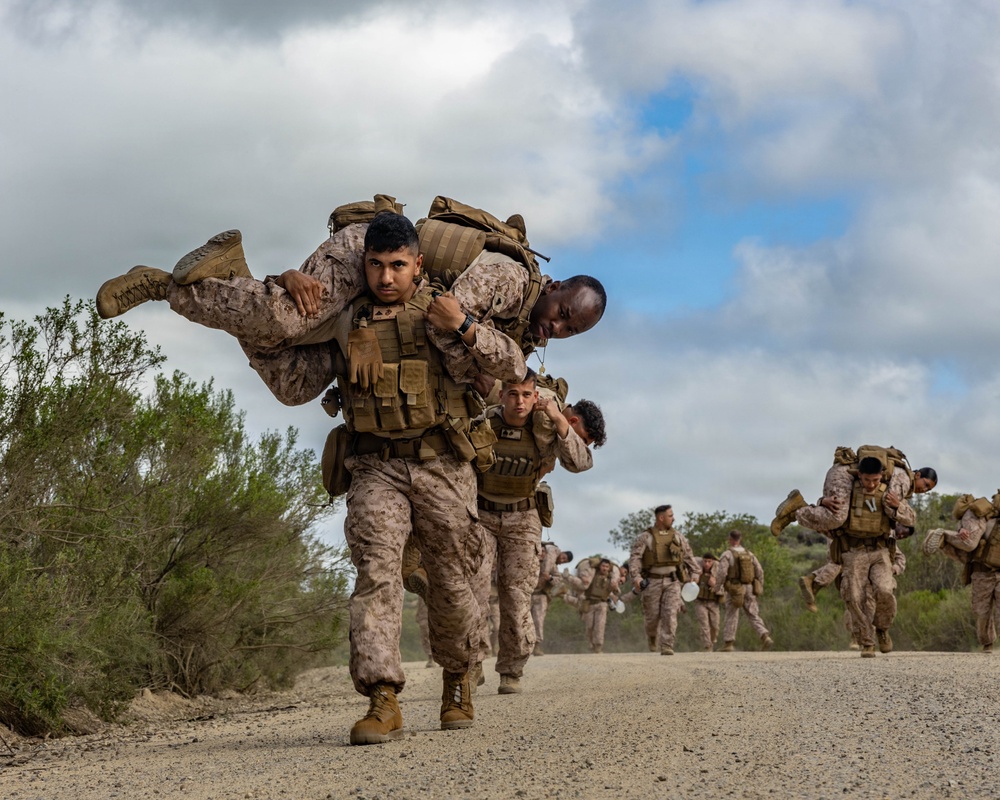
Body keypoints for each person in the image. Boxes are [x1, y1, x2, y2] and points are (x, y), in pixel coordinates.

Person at [314, 211, 525, 745]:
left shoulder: (444, 308)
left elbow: (512, 365)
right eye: (376, 266)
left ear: (419, 264)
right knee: (376, 571)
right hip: (375, 465)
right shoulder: (347, 312)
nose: (386, 278)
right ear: (363, 265)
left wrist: (463, 326)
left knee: (451, 578)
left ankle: (458, 679)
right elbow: (293, 343)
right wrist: (291, 284)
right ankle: (382, 697)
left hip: (441, 464)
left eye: (398, 266)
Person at [95, 198, 607, 406]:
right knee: (282, 315)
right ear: (556, 287)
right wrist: (472, 361)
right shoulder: (513, 281)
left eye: (571, 331)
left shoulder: (522, 332)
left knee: (294, 385)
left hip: (380, 302)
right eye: (564, 314)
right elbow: (441, 319)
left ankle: (234, 276)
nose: (559, 329)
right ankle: (162, 285)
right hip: (379, 253)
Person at [470, 371, 593, 694]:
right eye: (513, 394)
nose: (519, 402)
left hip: (522, 517)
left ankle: (511, 669)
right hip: (481, 513)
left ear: (536, 397)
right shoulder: (484, 421)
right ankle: (470, 663)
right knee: (474, 591)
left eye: (527, 395)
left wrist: (557, 418)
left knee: (516, 594)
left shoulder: (546, 426)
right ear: (501, 396)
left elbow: (581, 463)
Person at [797, 467, 936, 612]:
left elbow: (900, 558)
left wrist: (894, 569)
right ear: (918, 475)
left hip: (852, 529)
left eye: (928, 489)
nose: (924, 490)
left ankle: (812, 584)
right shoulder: (902, 482)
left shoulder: (889, 534)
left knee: (830, 532)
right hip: (850, 531)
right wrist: (899, 508)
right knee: (838, 559)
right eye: (925, 484)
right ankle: (797, 511)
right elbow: (890, 504)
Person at [826, 456, 915, 657]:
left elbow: (911, 519)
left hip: (880, 551)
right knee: (854, 597)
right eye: (867, 480)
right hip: (854, 552)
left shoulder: (886, 495)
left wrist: (898, 505)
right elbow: (828, 511)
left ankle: (882, 629)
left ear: (882, 477)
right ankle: (867, 642)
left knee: (885, 590)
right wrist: (822, 501)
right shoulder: (849, 493)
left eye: (875, 480)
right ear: (859, 476)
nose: (871, 484)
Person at [923, 492, 1000, 653]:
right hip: (982, 572)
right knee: (981, 612)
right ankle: (987, 643)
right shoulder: (985, 518)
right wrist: (961, 530)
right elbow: (968, 533)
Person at [628, 505, 700, 656]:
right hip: (652, 582)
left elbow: (688, 556)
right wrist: (636, 576)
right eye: (670, 516)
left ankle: (667, 645)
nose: (673, 518)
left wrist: (695, 572)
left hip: (673, 582)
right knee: (652, 618)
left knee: (670, 613)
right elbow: (635, 558)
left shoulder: (678, 537)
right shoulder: (645, 537)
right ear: (661, 518)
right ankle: (652, 636)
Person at [715, 531, 772, 652]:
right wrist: (759, 585)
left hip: (735, 588)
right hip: (749, 587)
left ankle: (728, 643)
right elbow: (760, 571)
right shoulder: (750, 554)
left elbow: (722, 573)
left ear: (730, 539)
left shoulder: (727, 554)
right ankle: (764, 636)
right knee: (753, 614)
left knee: (731, 614)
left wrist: (717, 587)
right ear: (740, 539)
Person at [531, 545, 572, 656]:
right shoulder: (529, 560)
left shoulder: (552, 567)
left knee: (538, 621)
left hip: (540, 596)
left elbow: (558, 581)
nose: (562, 560)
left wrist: (550, 578)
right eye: (542, 551)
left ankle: (536, 646)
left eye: (564, 561)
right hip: (526, 595)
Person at [577, 558, 621, 653]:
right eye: (603, 566)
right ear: (599, 566)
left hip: (602, 604)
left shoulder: (610, 578)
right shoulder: (592, 575)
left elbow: (616, 592)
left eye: (607, 567)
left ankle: (598, 646)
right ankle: (591, 645)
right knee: (589, 627)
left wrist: (615, 588)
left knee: (600, 626)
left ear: (609, 568)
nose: (605, 568)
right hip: (590, 603)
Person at [692, 553, 721, 652]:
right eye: (705, 561)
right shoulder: (696, 569)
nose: (707, 564)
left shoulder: (718, 571)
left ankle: (711, 642)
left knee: (715, 625)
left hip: (713, 602)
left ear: (712, 562)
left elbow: (724, 587)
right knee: (704, 625)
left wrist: (715, 585)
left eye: (709, 561)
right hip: (700, 601)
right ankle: (707, 646)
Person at [415, 596, 434, 668]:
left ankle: (442, 659)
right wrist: (418, 614)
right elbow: (420, 603)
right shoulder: (420, 589)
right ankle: (430, 658)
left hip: (436, 615)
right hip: (423, 616)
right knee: (425, 636)